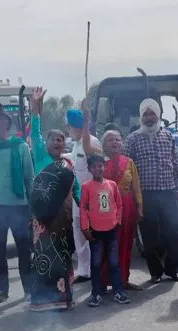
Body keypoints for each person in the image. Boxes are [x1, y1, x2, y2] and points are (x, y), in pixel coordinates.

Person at [27, 87, 81, 312]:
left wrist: (84, 207)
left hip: (64, 221)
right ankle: (42, 300)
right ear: (45, 144)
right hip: (43, 222)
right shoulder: (39, 155)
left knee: (65, 257)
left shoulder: (68, 165)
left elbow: (76, 189)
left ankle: (64, 298)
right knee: (44, 258)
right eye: (54, 140)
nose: (58, 143)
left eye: (61, 139)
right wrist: (35, 107)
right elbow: (35, 132)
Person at [123, 98, 178, 284]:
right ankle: (155, 273)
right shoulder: (133, 139)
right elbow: (127, 168)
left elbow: (176, 163)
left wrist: (177, 187)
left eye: (152, 114)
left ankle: (171, 271)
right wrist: (133, 197)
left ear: (158, 116)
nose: (149, 118)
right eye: (145, 115)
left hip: (168, 193)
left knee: (175, 231)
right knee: (150, 236)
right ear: (141, 117)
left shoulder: (168, 136)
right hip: (145, 195)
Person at [0, 110, 34, 304]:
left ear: (4, 123)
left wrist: (32, 207)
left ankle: (29, 288)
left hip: (19, 206)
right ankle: (2, 290)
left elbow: (29, 178)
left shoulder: (21, 147)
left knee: (24, 250)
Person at [80, 155, 130, 306]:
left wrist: (118, 221)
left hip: (111, 229)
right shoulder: (86, 187)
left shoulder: (112, 185)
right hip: (95, 230)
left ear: (104, 167)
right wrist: (84, 228)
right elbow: (83, 208)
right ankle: (95, 293)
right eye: (94, 166)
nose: (98, 169)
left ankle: (118, 291)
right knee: (95, 263)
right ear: (89, 169)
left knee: (114, 263)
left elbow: (119, 204)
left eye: (100, 166)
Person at [101, 129, 143, 291]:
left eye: (118, 139)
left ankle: (123, 280)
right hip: (106, 209)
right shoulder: (100, 163)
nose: (115, 142)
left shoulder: (129, 162)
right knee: (108, 244)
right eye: (110, 140)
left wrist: (140, 207)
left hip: (127, 208)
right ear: (104, 144)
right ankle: (104, 281)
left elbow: (136, 188)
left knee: (125, 244)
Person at [69, 103, 103, 284]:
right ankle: (84, 270)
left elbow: (91, 153)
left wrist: (86, 126)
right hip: (77, 198)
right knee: (79, 232)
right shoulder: (75, 145)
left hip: (92, 197)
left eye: (71, 126)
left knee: (93, 234)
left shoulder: (92, 141)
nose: (69, 130)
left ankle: (96, 269)